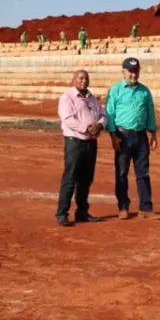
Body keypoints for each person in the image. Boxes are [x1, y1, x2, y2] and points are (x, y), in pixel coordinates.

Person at [105, 57, 160, 220]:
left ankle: (146, 208)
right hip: (122, 136)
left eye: (136, 71)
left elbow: (150, 113)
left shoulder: (144, 91)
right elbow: (110, 113)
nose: (133, 74)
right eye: (130, 71)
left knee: (143, 173)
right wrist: (113, 137)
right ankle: (123, 207)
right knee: (122, 173)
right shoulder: (115, 90)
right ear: (123, 72)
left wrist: (153, 134)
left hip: (141, 135)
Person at [55, 70, 106, 226]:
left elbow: (103, 115)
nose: (84, 81)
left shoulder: (92, 98)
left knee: (86, 178)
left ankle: (82, 212)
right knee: (70, 177)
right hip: (75, 142)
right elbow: (68, 119)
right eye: (81, 78)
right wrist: (87, 128)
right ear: (73, 80)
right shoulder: (67, 97)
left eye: (86, 78)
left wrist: (99, 125)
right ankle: (62, 213)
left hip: (90, 143)